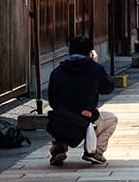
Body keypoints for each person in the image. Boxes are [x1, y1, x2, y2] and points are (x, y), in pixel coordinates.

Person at [47, 35, 118, 165]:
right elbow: (108, 88)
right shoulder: (95, 69)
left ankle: (59, 145)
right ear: (90, 52)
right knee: (112, 119)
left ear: (70, 52)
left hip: (61, 122)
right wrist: (95, 64)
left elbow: (52, 101)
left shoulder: (57, 72)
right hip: (85, 120)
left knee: (59, 115)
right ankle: (94, 151)